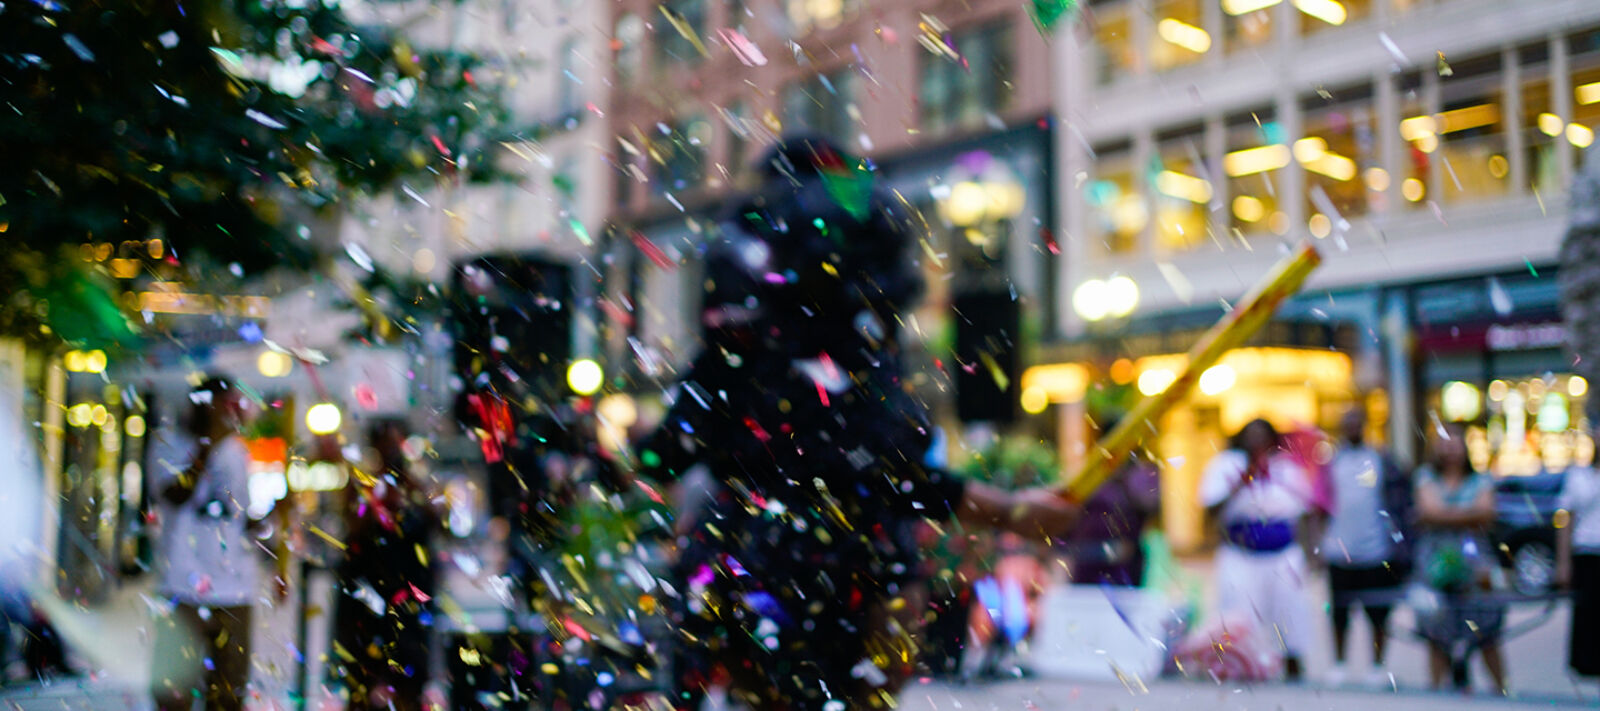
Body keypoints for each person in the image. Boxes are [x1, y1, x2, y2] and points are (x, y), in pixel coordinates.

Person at [631, 135, 1079, 711]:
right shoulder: (847, 350)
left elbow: (669, 452)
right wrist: (1010, 511)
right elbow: (885, 470)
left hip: (751, 572)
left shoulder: (738, 345)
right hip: (844, 580)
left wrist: (637, 455)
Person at [148, 376, 258, 711]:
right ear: (203, 404)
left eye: (234, 404)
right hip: (182, 586)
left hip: (235, 589)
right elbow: (173, 495)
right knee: (172, 692)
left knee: (228, 693)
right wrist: (206, 448)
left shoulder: (237, 450)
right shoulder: (168, 443)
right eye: (224, 404)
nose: (231, 412)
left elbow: (236, 516)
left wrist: (272, 515)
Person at [332, 418, 442, 711]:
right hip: (370, 592)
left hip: (408, 592)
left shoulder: (415, 484)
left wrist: (412, 494)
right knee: (365, 671)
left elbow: (437, 520)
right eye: (388, 443)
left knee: (410, 672)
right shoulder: (364, 485)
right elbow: (352, 526)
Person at [1199, 418, 1315, 681]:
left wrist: (1310, 552)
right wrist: (1241, 481)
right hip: (1241, 553)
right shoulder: (1224, 465)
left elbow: (1306, 512)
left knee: (1290, 611)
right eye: (1251, 435)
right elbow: (1210, 509)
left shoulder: (1286, 469)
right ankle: (1239, 665)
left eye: (1262, 436)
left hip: (1282, 552)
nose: (1256, 441)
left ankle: (1293, 666)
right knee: (1238, 613)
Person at [1319, 409, 1411, 686]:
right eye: (1347, 424)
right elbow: (1319, 506)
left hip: (1376, 550)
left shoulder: (1381, 459)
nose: (1353, 429)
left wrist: (1400, 544)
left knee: (1379, 613)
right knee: (1339, 612)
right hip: (1339, 549)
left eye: (1357, 423)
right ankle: (1339, 664)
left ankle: (1376, 666)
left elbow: (1400, 502)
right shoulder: (1331, 463)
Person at [1413, 422, 1507, 694]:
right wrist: (1469, 514)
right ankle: (1437, 689)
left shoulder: (1481, 479)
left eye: (1455, 442)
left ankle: (1500, 689)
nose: (1451, 449)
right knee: (1436, 626)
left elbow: (1487, 513)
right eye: (1445, 442)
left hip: (1474, 563)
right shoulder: (1426, 477)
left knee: (1486, 625)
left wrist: (1444, 514)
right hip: (1435, 561)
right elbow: (1428, 511)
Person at [1555, 420, 1600, 681]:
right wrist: (1563, 564)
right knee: (1586, 613)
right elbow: (1565, 519)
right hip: (1586, 551)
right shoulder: (1578, 475)